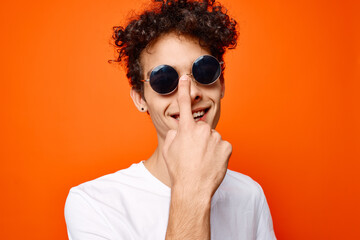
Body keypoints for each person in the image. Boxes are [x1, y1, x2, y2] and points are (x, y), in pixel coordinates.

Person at [64, 0, 276, 239]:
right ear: (140, 98)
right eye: (164, 79)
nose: (190, 93)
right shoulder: (95, 204)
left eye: (204, 71)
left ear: (222, 84)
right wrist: (191, 188)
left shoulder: (249, 195)